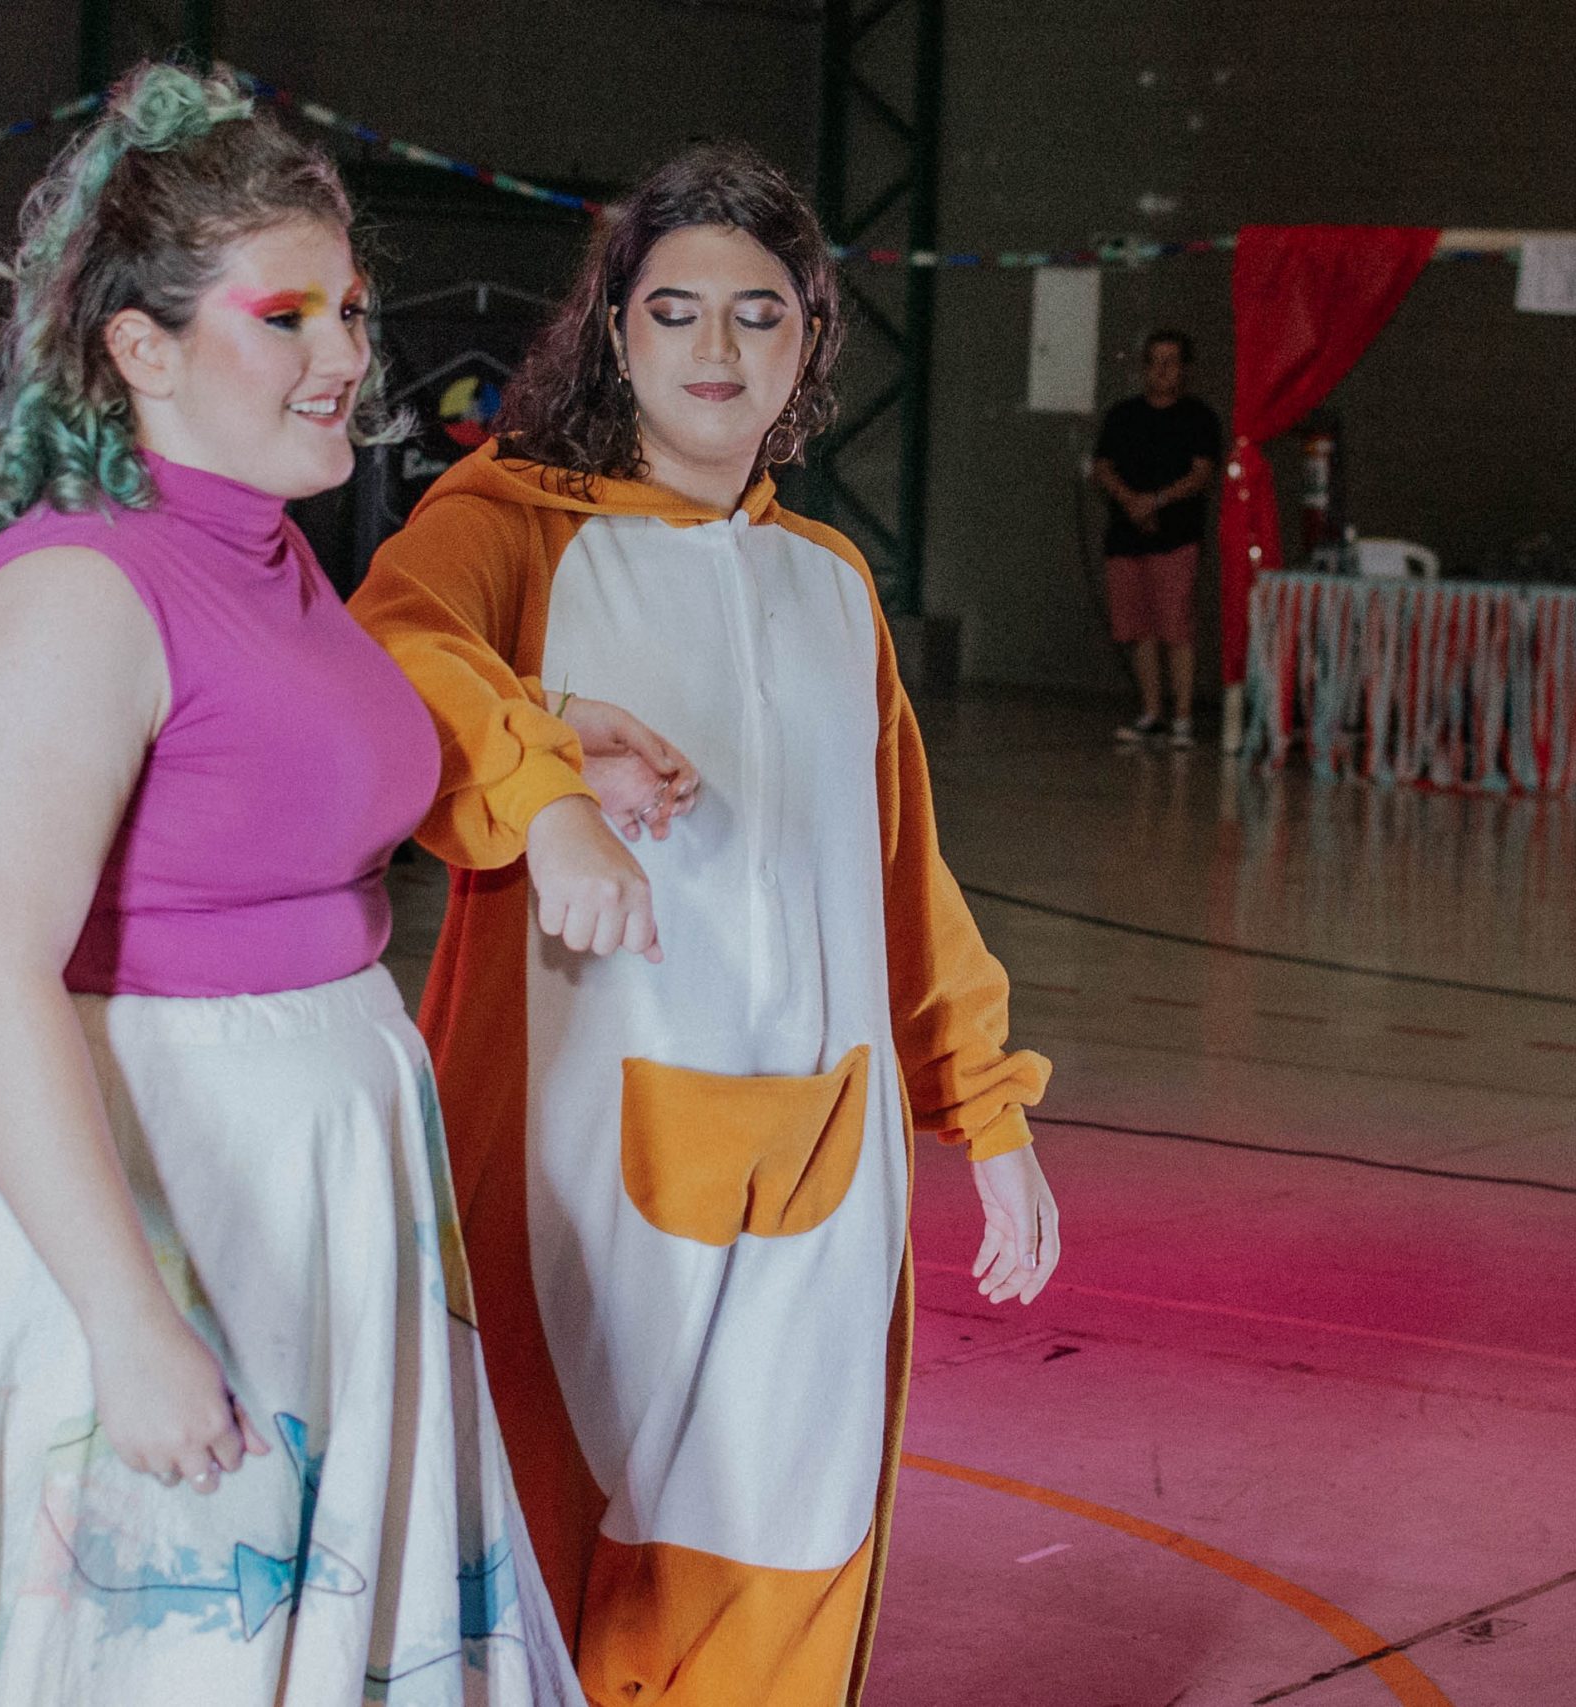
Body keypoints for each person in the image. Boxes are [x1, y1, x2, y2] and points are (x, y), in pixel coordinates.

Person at [0, 64, 581, 1706]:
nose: (345, 355)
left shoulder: (268, 546)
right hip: (134, 1189)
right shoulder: (79, 587)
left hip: (298, 1175)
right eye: (287, 317)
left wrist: (570, 746)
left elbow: (295, 773)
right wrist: (127, 1315)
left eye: (351, 312)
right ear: (141, 348)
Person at [349, 143, 1058, 1707]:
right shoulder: (508, 519)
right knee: (526, 1548)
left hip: (827, 1155)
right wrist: (547, 784)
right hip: (567, 1153)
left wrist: (988, 1112)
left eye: (759, 312)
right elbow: (390, 654)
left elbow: (900, 874)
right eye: (675, 311)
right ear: (616, 331)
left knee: (781, 1545)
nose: (716, 348)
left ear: (811, 338)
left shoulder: (833, 582)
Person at [1092, 329, 1221, 746]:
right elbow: (1103, 466)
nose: (1162, 370)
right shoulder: (1122, 415)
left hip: (1176, 537)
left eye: (1171, 361)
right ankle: (1152, 713)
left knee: (1175, 627)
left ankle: (1183, 718)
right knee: (1138, 628)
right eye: (1154, 361)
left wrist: (1157, 501)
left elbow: (1201, 474)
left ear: (1184, 368)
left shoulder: (1199, 417)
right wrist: (1131, 501)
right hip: (1126, 537)